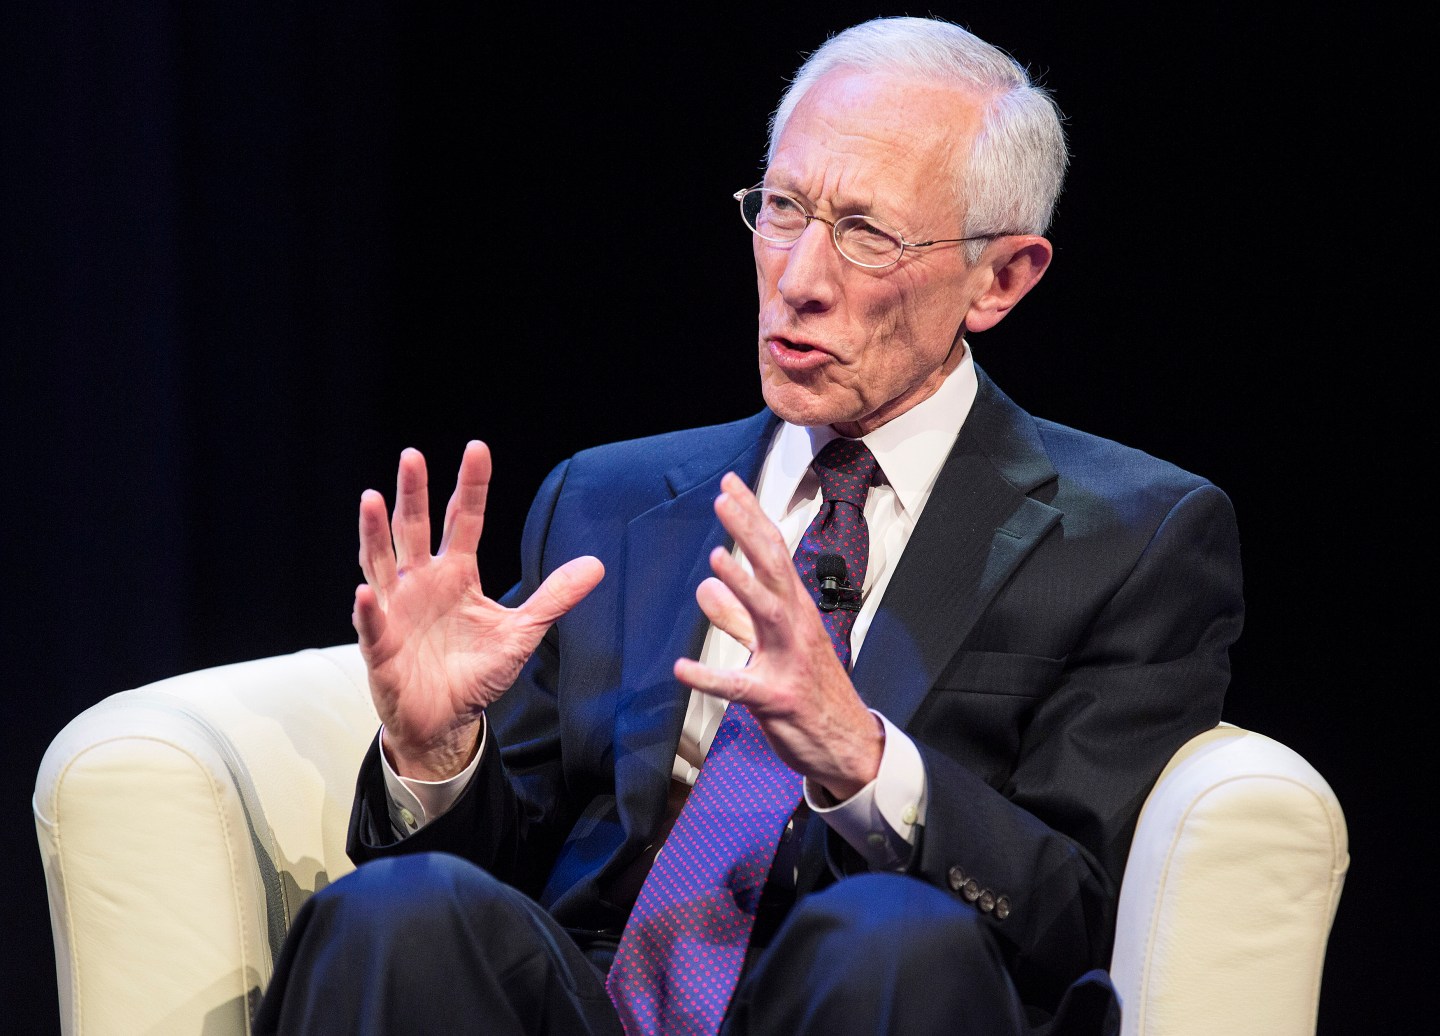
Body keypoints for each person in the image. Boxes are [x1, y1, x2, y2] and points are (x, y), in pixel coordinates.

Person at [254, 14, 1242, 1036]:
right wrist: (439, 753)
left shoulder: (1133, 537)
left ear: (1001, 277)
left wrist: (863, 759)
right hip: (589, 1006)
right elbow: (492, 877)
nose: (800, 278)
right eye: (782, 208)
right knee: (392, 909)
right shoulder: (607, 500)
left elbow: (1080, 914)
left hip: (864, 1000)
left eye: (868, 234)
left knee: (891, 934)